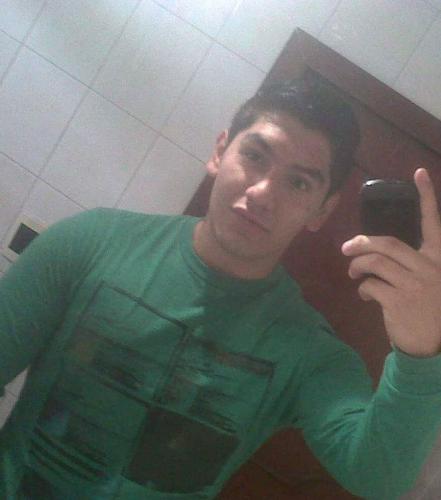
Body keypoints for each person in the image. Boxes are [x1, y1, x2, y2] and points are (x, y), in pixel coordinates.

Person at [1, 79, 441, 500]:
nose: (263, 193)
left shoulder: (309, 352)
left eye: (299, 182)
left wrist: (420, 350)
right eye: (255, 155)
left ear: (321, 211)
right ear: (219, 152)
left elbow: (377, 475)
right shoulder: (87, 243)